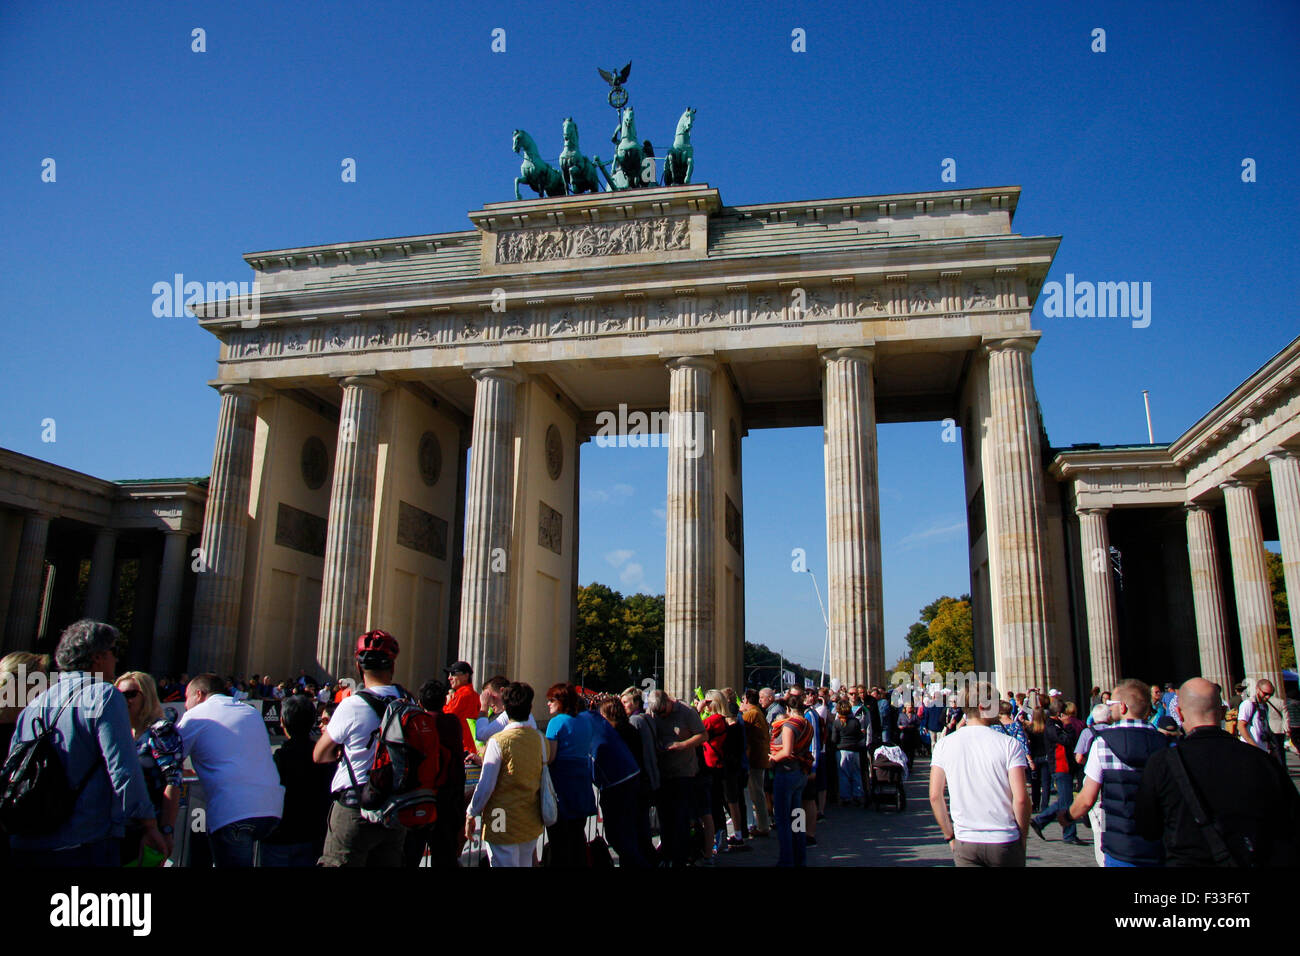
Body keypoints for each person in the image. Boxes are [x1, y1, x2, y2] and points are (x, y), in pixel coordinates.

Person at [6, 622, 163, 867]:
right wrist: (148, 823)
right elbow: (122, 768)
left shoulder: (34, 704)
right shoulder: (103, 695)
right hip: (84, 839)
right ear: (97, 657)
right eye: (113, 651)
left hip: (28, 838)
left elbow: (12, 770)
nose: (116, 659)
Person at [1136, 678, 1300, 866]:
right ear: (1223, 712)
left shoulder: (1161, 764)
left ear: (1179, 714)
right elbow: (1290, 826)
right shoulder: (1264, 762)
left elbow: (1147, 828)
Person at [313, 630, 407, 867]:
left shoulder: (352, 705)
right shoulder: (408, 701)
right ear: (392, 667)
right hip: (395, 808)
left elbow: (319, 754)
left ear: (359, 666)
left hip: (356, 805)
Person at [1056, 679, 1168, 867]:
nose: (1107, 708)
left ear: (1122, 707)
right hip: (1156, 842)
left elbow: (1087, 799)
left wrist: (1067, 817)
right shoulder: (1163, 743)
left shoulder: (1103, 743)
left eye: (1110, 704)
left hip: (1119, 842)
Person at [178, 672, 284, 867]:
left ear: (199, 694)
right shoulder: (249, 711)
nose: (185, 705)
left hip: (233, 812)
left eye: (187, 698)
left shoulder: (195, 715)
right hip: (270, 809)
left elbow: (170, 761)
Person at [928, 681, 1030, 867]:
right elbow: (1021, 799)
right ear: (983, 706)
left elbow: (935, 796)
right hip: (1004, 838)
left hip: (966, 840)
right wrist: (1022, 837)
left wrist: (950, 836)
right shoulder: (1009, 744)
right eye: (995, 702)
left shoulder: (944, 744)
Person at [465, 682, 545, 867]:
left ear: (506, 708)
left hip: (500, 814)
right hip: (530, 814)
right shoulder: (539, 739)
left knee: (502, 861)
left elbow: (486, 785)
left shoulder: (498, 741)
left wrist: (471, 812)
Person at [114, 671, 183, 866]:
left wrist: (167, 830)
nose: (124, 700)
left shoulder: (160, 730)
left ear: (147, 696)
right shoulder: (118, 731)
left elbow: (173, 782)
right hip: (118, 826)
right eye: (119, 695)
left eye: (130, 694)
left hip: (148, 827)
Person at [261, 693, 333, 866]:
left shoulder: (278, 759)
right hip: (313, 835)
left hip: (280, 837)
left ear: (283, 722)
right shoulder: (325, 758)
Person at [403, 678, 466, 868]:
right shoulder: (452, 723)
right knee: (444, 856)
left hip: (420, 797)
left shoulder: (415, 724)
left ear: (420, 703)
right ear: (444, 701)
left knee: (411, 855)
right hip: (447, 798)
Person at [584, 698, 647, 867]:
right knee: (627, 835)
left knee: (619, 836)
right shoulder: (625, 729)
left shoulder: (618, 732)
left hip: (619, 787)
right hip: (630, 784)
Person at [648, 689, 706, 867]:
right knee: (665, 818)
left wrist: (682, 745)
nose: (660, 716)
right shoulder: (654, 711)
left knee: (681, 818)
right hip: (663, 773)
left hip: (684, 773)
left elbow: (703, 735)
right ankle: (667, 854)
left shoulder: (687, 711)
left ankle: (681, 858)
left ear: (668, 702)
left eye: (662, 712)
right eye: (656, 714)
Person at [543, 682, 595, 867]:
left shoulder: (556, 722)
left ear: (561, 701)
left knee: (559, 841)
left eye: (551, 700)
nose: (548, 703)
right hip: (581, 783)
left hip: (562, 785)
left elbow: (551, 757)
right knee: (576, 838)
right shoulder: (585, 720)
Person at [1028, 701, 1084, 846]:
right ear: (1060, 714)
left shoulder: (1055, 725)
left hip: (1064, 765)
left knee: (1064, 800)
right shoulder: (1052, 726)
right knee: (1066, 802)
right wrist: (1069, 726)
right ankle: (1069, 834)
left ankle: (1040, 821)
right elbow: (1065, 740)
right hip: (1059, 766)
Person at [769, 693, 812, 867]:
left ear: (787, 709)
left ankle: (786, 860)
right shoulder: (807, 724)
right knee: (797, 818)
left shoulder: (789, 725)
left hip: (786, 773)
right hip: (800, 774)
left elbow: (786, 751)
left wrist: (772, 759)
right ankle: (800, 857)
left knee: (783, 820)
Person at [741, 689, 771, 836]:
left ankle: (763, 827)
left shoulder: (751, 714)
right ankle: (762, 824)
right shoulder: (757, 712)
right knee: (757, 792)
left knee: (757, 793)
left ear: (746, 700)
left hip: (755, 759)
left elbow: (739, 729)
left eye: (742, 700)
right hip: (760, 757)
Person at [1238, 678, 1285, 768]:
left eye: (1270, 694)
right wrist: (1253, 745)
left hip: (1263, 748)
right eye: (1265, 693)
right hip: (1251, 749)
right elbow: (1241, 726)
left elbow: (1264, 726)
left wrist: (1271, 746)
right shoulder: (1248, 704)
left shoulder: (1264, 705)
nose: (1267, 697)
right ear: (1257, 689)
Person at [829, 702, 865, 806]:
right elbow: (859, 737)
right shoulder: (856, 722)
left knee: (843, 775)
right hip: (855, 750)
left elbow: (834, 739)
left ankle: (846, 797)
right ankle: (857, 794)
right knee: (856, 773)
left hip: (842, 751)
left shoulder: (837, 723)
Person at [444, 660, 480, 762]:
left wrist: (447, 703)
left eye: (453, 674)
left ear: (466, 676)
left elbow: (446, 717)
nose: (449, 677)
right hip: (472, 748)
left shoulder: (462, 695)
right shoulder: (474, 695)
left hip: (462, 749)